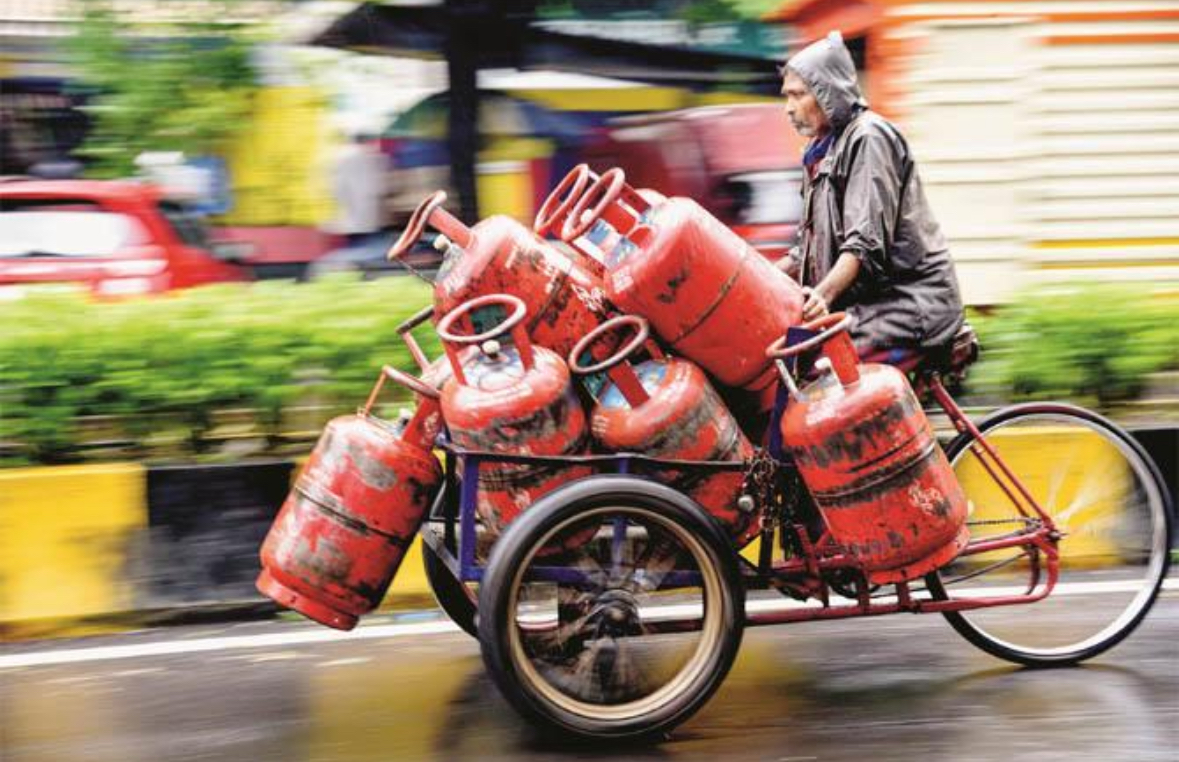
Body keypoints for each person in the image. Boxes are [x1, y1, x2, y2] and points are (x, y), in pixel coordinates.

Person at [778, 31, 964, 368]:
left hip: (909, 304)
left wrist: (822, 295)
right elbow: (806, 246)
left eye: (798, 95)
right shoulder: (821, 152)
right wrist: (754, 278)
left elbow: (863, 243)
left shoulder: (869, 138)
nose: (789, 108)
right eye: (786, 97)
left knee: (819, 366)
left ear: (827, 93)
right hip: (873, 306)